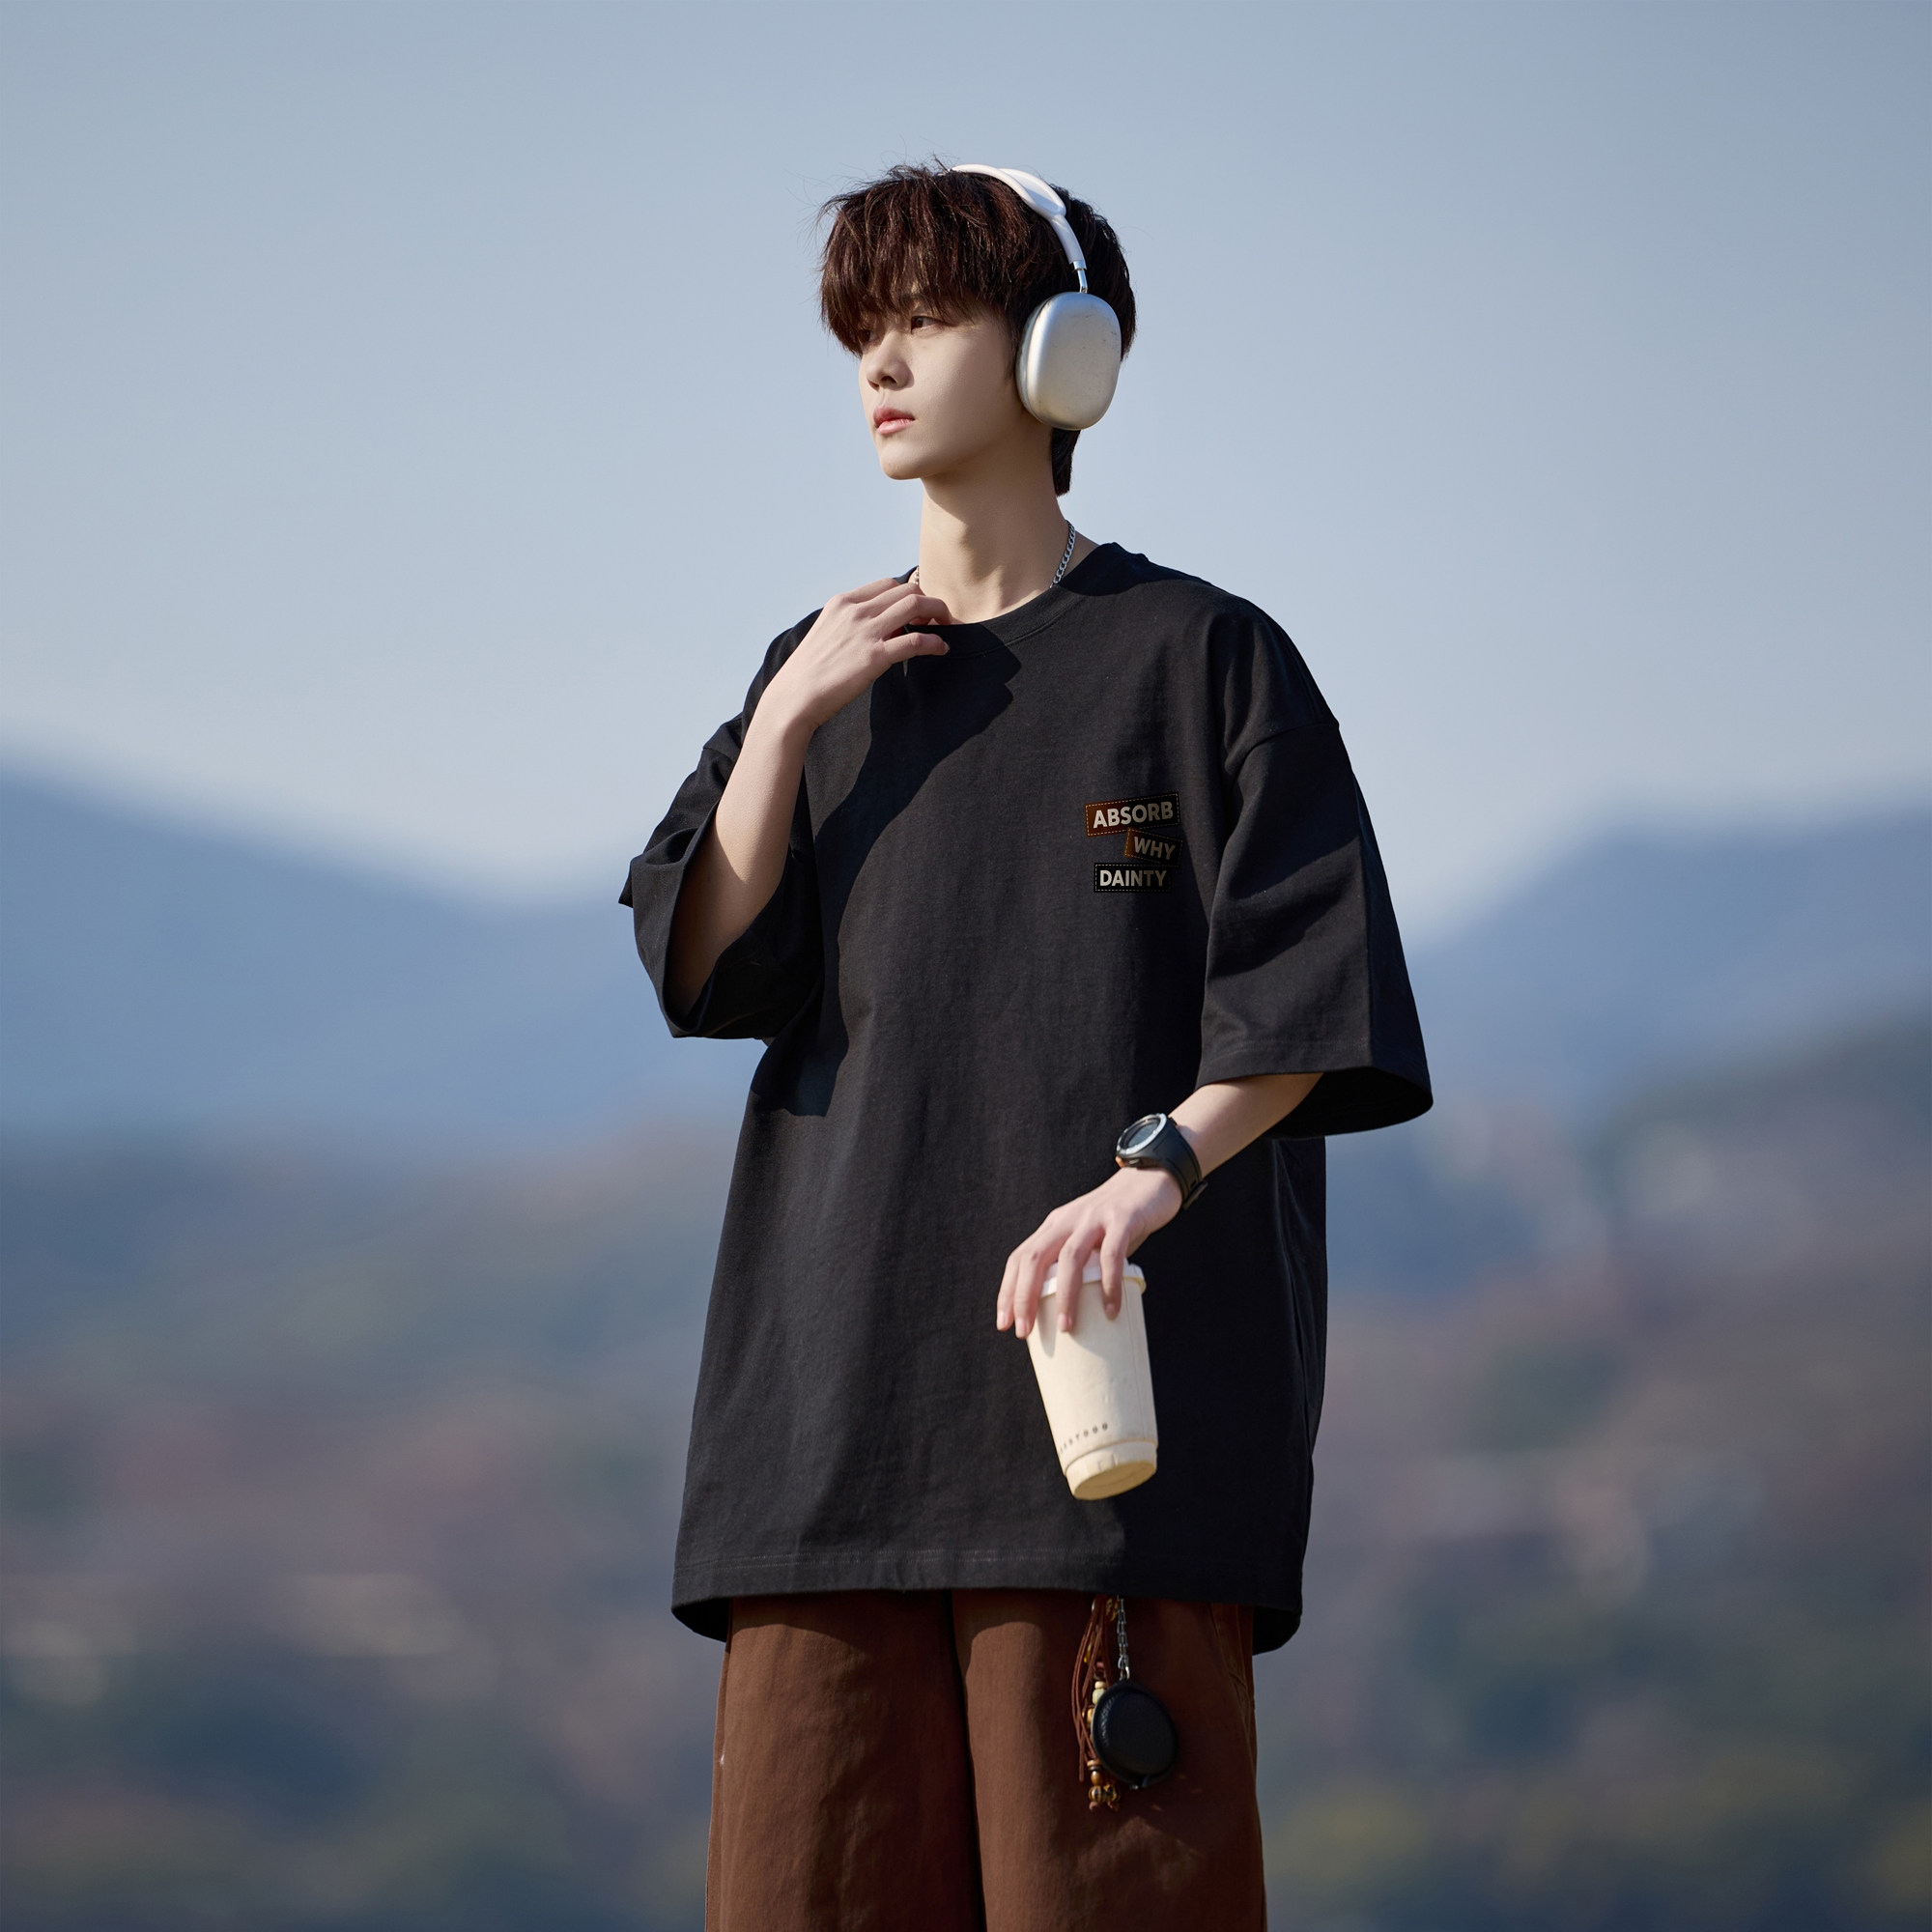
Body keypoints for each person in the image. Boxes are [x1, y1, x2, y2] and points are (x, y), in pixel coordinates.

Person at [621, 160, 1430, 1931]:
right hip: (826, 1454)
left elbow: (1308, 1003)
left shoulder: (1206, 659)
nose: (879, 364)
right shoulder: (815, 673)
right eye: (862, 328)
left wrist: (1149, 1181)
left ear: (1065, 353)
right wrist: (784, 726)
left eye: (924, 318)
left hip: (1110, 1452)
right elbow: (701, 966)